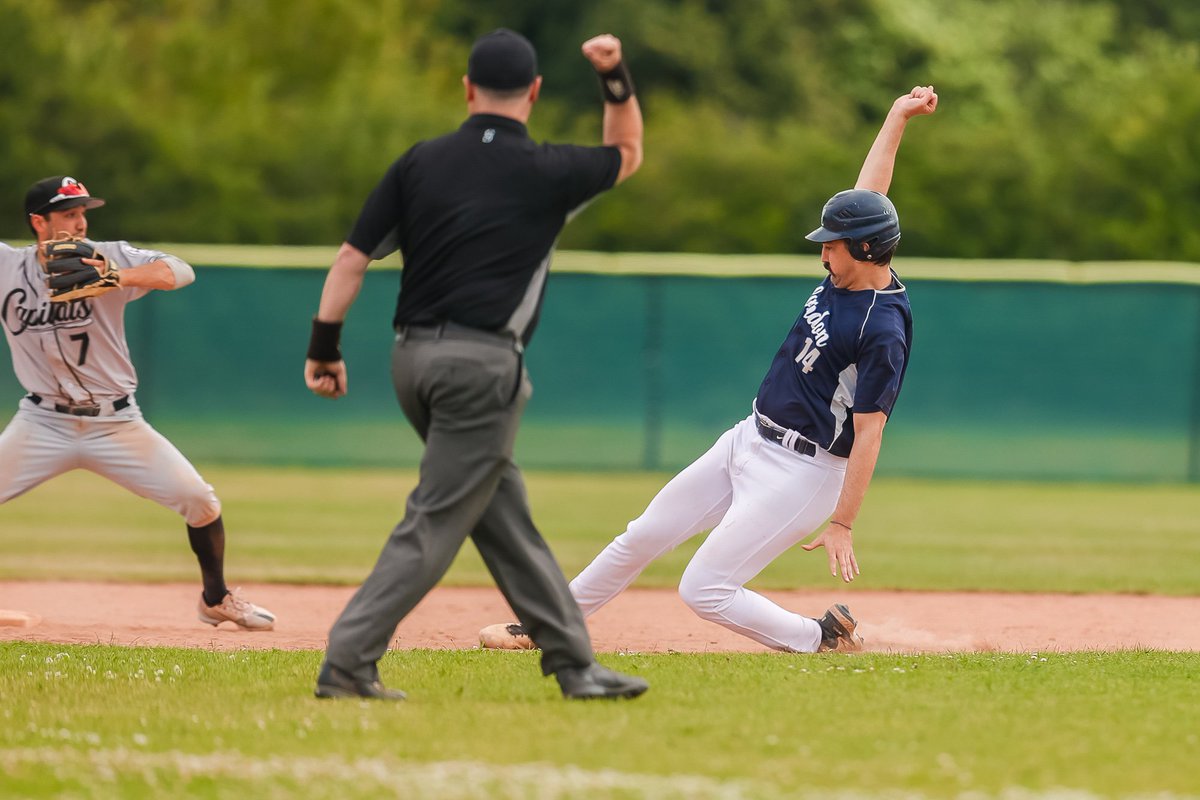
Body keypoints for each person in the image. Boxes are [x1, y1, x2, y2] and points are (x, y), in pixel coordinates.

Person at [482, 86, 939, 656]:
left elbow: (871, 429)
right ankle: (548, 625)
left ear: (867, 250)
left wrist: (843, 523)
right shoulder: (851, 269)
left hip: (804, 472)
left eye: (835, 245)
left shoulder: (883, 328)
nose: (824, 254)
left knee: (703, 588)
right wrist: (897, 115)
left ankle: (820, 637)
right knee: (644, 533)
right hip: (748, 436)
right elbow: (869, 192)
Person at [304, 29, 648, 701]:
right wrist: (613, 76)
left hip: (411, 361)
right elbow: (627, 152)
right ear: (536, 93)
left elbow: (350, 260)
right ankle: (347, 662)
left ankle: (574, 663)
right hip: (481, 367)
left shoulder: (419, 162)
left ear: (466, 90)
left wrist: (324, 347)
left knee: (502, 515)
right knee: (436, 520)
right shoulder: (549, 169)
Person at [0, 175, 275, 631]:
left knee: (199, 501)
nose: (81, 222)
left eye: (84, 212)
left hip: (117, 423)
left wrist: (115, 278)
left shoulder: (106, 256)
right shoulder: (7, 268)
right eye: (69, 213)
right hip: (41, 422)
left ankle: (215, 599)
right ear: (38, 222)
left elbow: (180, 270)